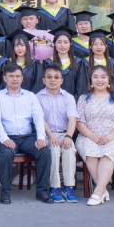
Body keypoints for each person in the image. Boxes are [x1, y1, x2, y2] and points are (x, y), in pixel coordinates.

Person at [0, 63, 52, 204]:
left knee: (44, 152)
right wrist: (5, 139)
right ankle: (5, 192)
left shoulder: (30, 96)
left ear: (22, 78)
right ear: (5, 78)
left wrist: (41, 138)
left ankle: (42, 191)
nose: (15, 79)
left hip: (27, 137)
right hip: (6, 136)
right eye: (11, 76)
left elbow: (38, 118)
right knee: (6, 154)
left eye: (17, 76)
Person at [75, 65, 114, 206]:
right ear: (91, 81)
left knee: (108, 153)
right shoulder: (83, 99)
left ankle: (98, 191)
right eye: (95, 77)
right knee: (90, 152)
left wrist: (111, 136)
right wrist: (91, 135)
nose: (99, 80)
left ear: (109, 80)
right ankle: (102, 190)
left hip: (113, 136)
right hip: (88, 136)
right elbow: (79, 122)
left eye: (103, 77)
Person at [36, 63, 80, 203]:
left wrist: (68, 136)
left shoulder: (68, 97)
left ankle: (68, 187)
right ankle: (54, 187)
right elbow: (40, 120)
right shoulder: (37, 97)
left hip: (65, 133)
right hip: (46, 134)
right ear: (44, 80)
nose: (52, 80)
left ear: (61, 80)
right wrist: (50, 136)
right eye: (49, 77)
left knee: (69, 149)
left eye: (56, 77)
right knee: (53, 150)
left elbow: (72, 118)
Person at [44, 26, 88, 99]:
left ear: (70, 44)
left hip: (73, 103)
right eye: (59, 42)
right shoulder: (47, 63)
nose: (62, 45)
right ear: (54, 44)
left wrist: (74, 102)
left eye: (66, 42)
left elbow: (81, 86)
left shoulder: (79, 63)